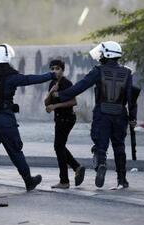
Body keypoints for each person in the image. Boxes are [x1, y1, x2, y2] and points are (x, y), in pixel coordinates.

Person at [0, 43, 57, 195]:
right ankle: (28, 181)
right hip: (5, 120)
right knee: (15, 151)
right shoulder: (10, 77)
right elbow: (30, 79)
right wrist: (51, 75)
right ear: (5, 59)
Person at [53, 41, 137, 188]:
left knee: (100, 145)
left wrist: (60, 95)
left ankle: (101, 164)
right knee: (119, 146)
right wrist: (132, 117)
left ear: (107, 54)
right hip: (120, 114)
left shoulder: (99, 70)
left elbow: (80, 87)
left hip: (102, 113)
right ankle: (122, 180)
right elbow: (131, 98)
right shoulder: (128, 72)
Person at [44, 59, 85, 189]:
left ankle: (64, 181)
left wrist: (55, 105)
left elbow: (73, 102)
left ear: (62, 70)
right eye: (52, 69)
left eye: (57, 68)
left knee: (58, 147)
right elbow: (46, 103)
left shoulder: (67, 83)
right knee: (59, 146)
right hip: (59, 118)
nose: (54, 71)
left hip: (67, 118)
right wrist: (51, 92)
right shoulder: (52, 83)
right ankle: (76, 167)